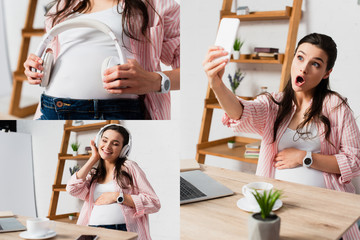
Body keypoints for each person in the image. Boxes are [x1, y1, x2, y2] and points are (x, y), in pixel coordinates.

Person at [203, 33, 360, 239]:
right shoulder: (274, 104)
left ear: (326, 73)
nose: (303, 68)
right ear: (293, 59)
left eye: (315, 64)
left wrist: (304, 157)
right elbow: (242, 111)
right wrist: (216, 84)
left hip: (326, 211)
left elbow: (354, 161)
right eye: (300, 58)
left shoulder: (336, 106)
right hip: (277, 209)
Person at [23, 0, 180, 120]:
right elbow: (58, 52)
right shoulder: (60, 7)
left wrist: (155, 81)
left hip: (118, 110)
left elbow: (191, 71)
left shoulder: (157, 4)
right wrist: (37, 67)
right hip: (52, 109)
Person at [66, 124, 160, 239]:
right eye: (104, 141)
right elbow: (72, 189)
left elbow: (154, 203)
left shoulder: (129, 167)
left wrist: (117, 196)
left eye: (115, 144)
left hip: (120, 230)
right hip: (92, 230)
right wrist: (93, 158)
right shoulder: (94, 174)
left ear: (123, 149)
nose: (107, 146)